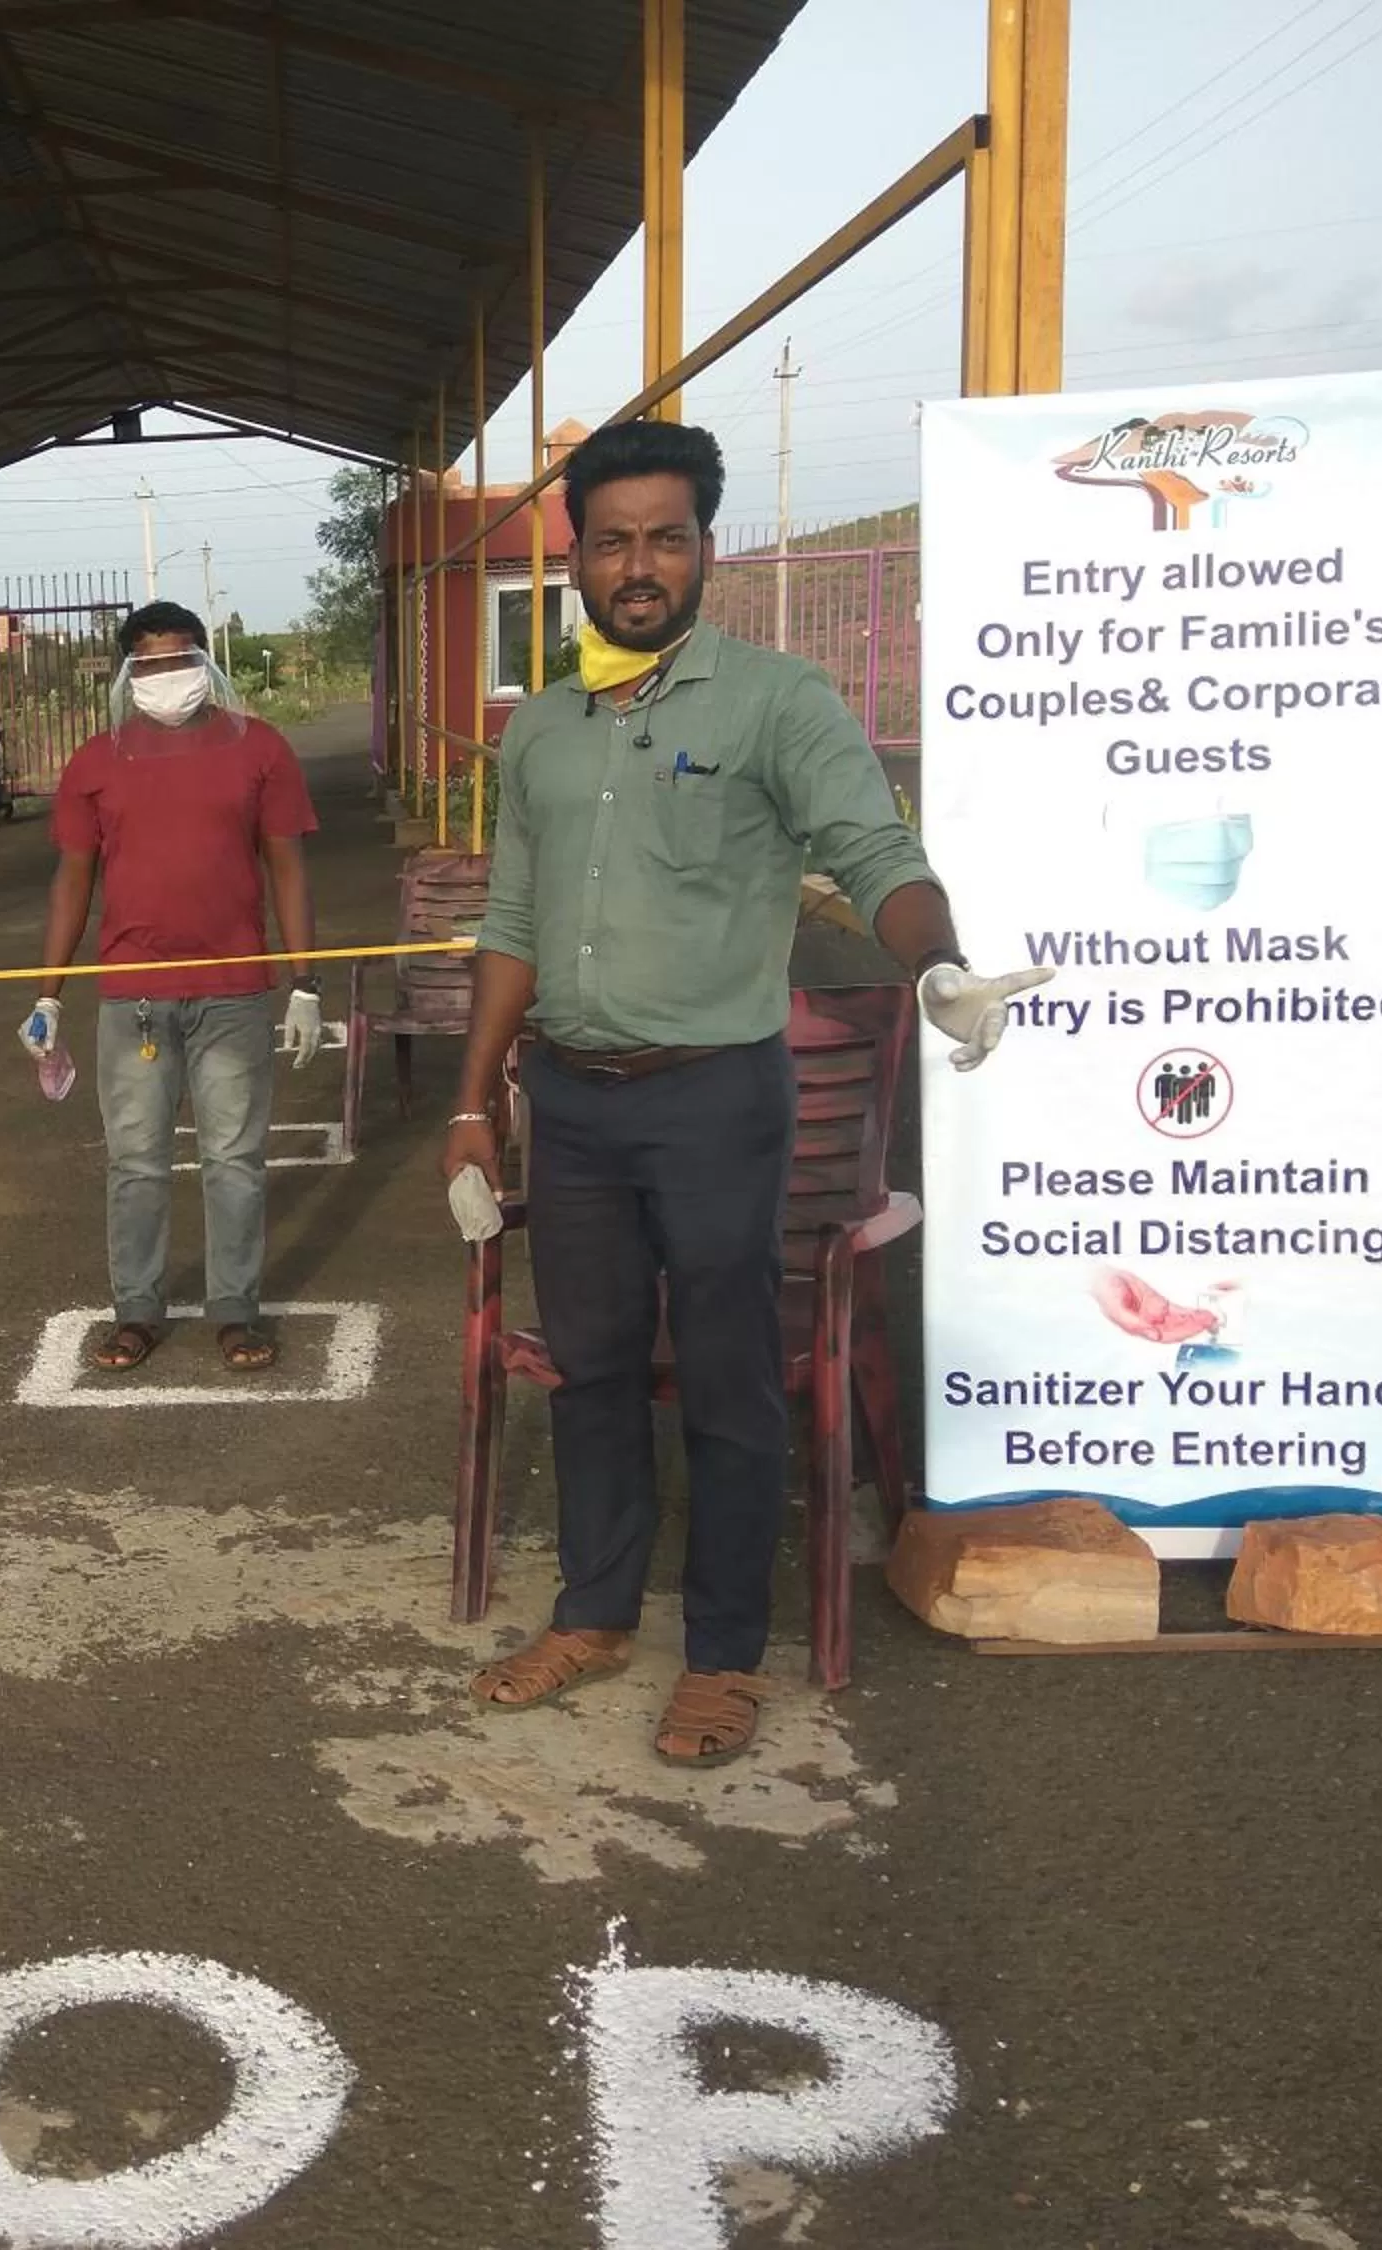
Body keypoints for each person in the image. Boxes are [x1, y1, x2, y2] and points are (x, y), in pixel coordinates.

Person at [442, 419, 1048, 1766]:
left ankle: (721, 1650)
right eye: (612, 540)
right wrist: (474, 1102)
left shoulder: (778, 703)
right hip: (577, 1104)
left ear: (706, 548)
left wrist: (937, 966)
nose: (638, 565)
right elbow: (513, 919)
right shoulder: (541, 726)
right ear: (577, 556)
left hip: (718, 1099)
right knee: (592, 1370)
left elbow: (875, 850)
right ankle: (594, 1611)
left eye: (666, 536)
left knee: (726, 1379)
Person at [21, 601, 322, 1374]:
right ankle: (138, 1311)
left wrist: (305, 983)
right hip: (135, 999)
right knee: (137, 1163)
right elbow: (72, 882)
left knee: (233, 1158)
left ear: (205, 661)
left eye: (183, 658)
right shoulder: (96, 763)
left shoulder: (260, 749)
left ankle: (236, 1310)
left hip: (233, 992)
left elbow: (287, 868)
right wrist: (48, 994)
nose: (170, 675)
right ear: (128, 671)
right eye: (151, 663)